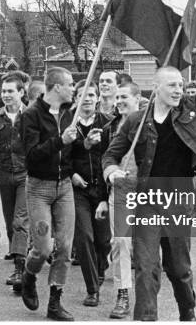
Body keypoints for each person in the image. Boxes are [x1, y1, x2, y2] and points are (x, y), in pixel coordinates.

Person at [102, 28, 196, 321]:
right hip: (147, 202)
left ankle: (187, 312)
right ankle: (146, 318)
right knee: (146, 267)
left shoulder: (191, 109)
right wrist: (112, 172)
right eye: (172, 85)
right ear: (156, 89)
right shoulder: (135, 121)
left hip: (179, 201)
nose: (178, 90)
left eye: (181, 85)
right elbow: (110, 154)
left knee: (179, 267)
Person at [20, 67, 77, 321]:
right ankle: (29, 274)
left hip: (63, 186)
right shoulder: (31, 115)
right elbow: (31, 156)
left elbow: (70, 150)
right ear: (56, 87)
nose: (74, 88)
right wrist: (60, 141)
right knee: (43, 248)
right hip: (39, 188)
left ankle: (55, 301)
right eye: (71, 84)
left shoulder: (68, 114)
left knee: (64, 246)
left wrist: (85, 143)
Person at [98, 81, 141, 319]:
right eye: (117, 98)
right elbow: (104, 159)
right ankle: (122, 293)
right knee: (121, 242)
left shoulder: (149, 124)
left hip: (148, 190)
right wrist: (103, 197)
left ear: (138, 99)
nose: (120, 101)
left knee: (146, 245)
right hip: (120, 189)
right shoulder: (110, 127)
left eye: (124, 96)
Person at [70, 80, 112, 307]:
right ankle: (92, 289)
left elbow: (114, 154)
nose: (86, 99)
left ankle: (101, 265)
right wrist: (71, 174)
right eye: (81, 95)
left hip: (102, 190)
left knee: (104, 240)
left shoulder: (108, 123)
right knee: (84, 236)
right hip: (79, 190)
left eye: (91, 94)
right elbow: (60, 156)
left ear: (97, 98)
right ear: (75, 98)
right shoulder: (67, 123)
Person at [0, 73, 29, 291]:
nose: (6, 95)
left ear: (21, 93)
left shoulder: (31, 115)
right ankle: (19, 252)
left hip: (27, 175)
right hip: (5, 174)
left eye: (11, 91)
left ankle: (20, 269)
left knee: (21, 220)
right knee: (10, 219)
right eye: (3, 91)